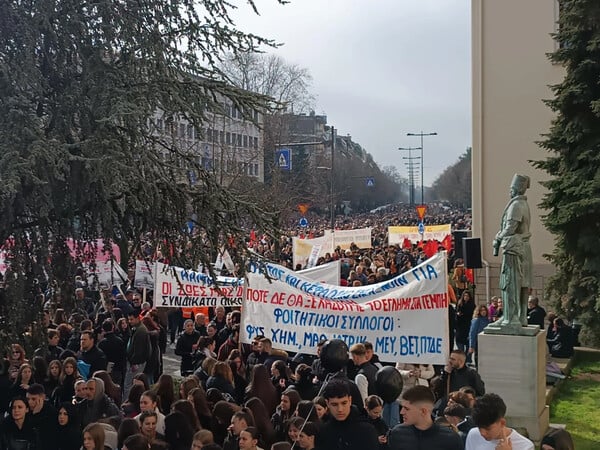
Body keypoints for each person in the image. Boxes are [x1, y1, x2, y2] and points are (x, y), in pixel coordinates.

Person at [492, 173, 532, 330]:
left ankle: (511, 318)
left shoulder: (516, 205)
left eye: (511, 189)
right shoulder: (523, 204)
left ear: (515, 189)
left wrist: (497, 238)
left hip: (514, 248)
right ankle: (520, 316)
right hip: (523, 247)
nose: (509, 192)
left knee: (511, 283)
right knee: (522, 284)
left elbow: (510, 228)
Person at [387, 386, 464, 450]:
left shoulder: (450, 439)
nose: (401, 412)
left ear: (423, 411)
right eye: (402, 407)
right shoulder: (397, 434)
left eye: (406, 408)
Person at [315, 379, 379, 450]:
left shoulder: (367, 431)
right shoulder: (324, 432)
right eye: (334, 404)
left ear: (350, 400)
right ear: (327, 403)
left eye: (344, 403)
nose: (340, 409)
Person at [466, 393, 534, 450]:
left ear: (502, 423)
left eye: (487, 428)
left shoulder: (526, 446)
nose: (482, 433)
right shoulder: (473, 435)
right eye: (479, 427)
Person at [124, 312, 151, 399]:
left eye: (131, 319)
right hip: (135, 361)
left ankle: (127, 401)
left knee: (129, 385)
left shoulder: (141, 331)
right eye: (129, 319)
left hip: (136, 363)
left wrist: (133, 362)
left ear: (137, 318)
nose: (130, 321)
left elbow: (139, 350)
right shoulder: (136, 329)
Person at [26, 383, 58, 450]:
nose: (30, 402)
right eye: (28, 399)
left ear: (42, 397)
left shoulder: (51, 412)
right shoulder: (25, 409)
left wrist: (36, 415)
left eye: (33, 399)